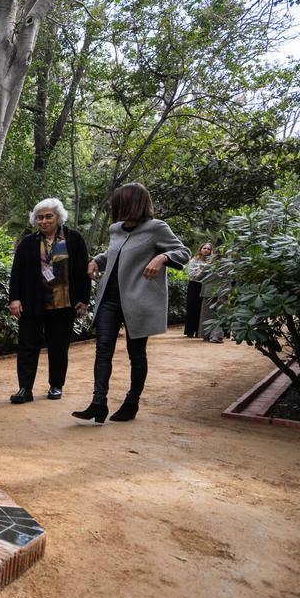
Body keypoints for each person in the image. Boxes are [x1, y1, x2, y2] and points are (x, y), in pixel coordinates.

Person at [73, 182, 190, 425]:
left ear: (131, 204)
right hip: (109, 299)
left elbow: (184, 252)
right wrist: (96, 259)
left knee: (136, 354)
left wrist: (162, 257)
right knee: (103, 349)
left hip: (138, 300)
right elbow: (115, 255)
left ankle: (132, 402)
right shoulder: (116, 229)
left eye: (118, 203)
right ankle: (98, 402)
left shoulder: (156, 228)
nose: (114, 207)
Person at [7, 198, 90, 403]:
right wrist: (15, 298)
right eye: (39, 217)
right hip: (32, 302)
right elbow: (16, 272)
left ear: (58, 217)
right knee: (27, 346)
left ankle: (56, 385)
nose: (43, 221)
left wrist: (83, 300)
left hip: (62, 303)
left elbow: (82, 271)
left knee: (59, 346)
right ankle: (25, 388)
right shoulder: (28, 242)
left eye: (48, 216)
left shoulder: (74, 239)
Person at [184, 242, 212, 337]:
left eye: (208, 249)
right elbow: (192, 275)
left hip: (205, 287)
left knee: (202, 309)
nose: (206, 250)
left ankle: (199, 332)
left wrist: (200, 271)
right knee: (192, 308)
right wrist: (202, 272)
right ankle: (190, 331)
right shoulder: (194, 260)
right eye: (205, 248)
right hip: (194, 286)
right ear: (200, 249)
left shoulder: (211, 262)